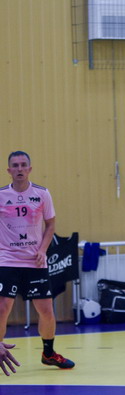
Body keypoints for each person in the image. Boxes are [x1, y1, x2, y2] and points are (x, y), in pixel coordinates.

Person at [0, 151, 75, 369]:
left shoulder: (42, 194)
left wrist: (42, 250)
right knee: (3, 308)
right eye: (15, 165)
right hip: (7, 259)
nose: (20, 169)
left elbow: (51, 224)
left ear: (30, 169)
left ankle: (48, 354)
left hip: (35, 261)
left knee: (47, 311)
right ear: (9, 170)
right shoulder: (2, 195)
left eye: (23, 165)